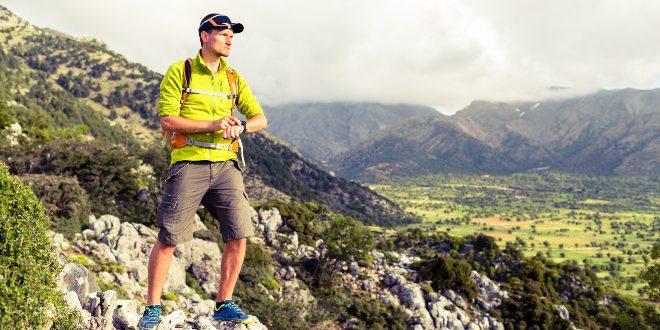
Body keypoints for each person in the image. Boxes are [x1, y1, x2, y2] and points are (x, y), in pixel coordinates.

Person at [138, 13, 267, 330]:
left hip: (226, 165)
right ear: (204, 36)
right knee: (170, 238)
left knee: (239, 234)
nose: (229, 38)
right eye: (223, 32)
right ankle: (152, 308)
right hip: (189, 163)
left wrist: (242, 127)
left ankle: (224, 304)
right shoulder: (180, 72)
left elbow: (261, 118)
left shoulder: (233, 77)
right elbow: (168, 120)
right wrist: (213, 125)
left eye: (232, 34)